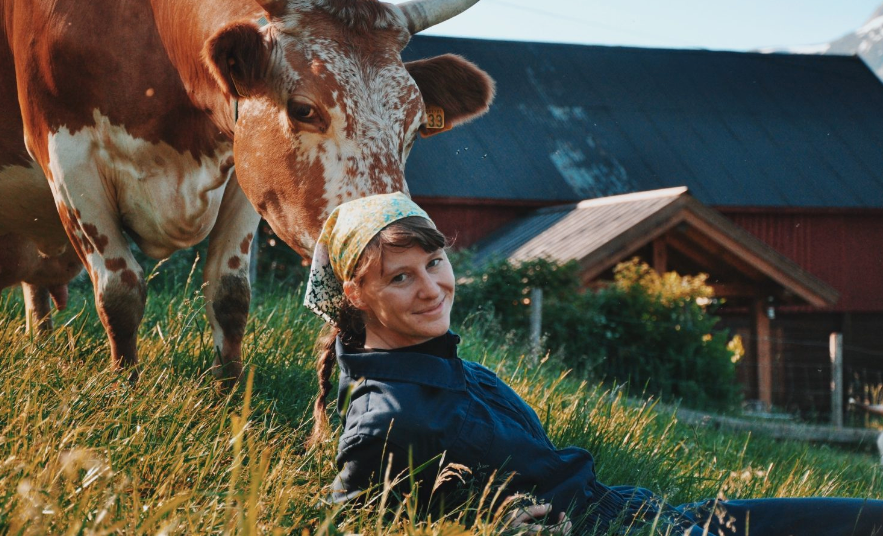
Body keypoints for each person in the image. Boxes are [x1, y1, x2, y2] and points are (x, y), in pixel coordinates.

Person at [303, 192, 883, 535]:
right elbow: (345, 522)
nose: (432, 288)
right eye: (400, 277)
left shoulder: (446, 367)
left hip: (658, 516)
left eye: (433, 262)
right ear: (355, 293)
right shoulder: (387, 419)